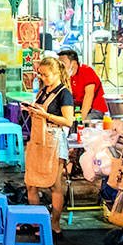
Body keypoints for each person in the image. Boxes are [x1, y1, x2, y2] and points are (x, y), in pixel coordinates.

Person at [22, 56, 75, 235]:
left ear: (56, 73)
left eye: (45, 75)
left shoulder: (64, 93)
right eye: (40, 75)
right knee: (31, 183)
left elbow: (68, 121)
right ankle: (38, 222)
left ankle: (54, 224)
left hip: (54, 142)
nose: (42, 78)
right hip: (38, 140)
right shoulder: (44, 91)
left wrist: (45, 115)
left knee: (54, 184)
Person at [58, 48, 107, 119]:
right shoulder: (65, 75)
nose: (60, 66)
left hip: (94, 109)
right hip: (77, 108)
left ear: (73, 63)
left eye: (63, 63)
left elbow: (89, 97)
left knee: (82, 122)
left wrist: (79, 120)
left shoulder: (86, 71)